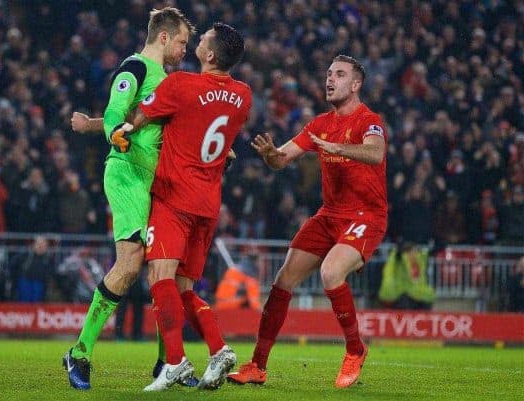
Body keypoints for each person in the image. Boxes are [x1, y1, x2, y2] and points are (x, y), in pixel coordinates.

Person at [227, 55, 388, 389]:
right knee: (283, 279)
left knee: (331, 272)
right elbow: (281, 159)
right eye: (329, 74)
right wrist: (270, 154)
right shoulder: (319, 124)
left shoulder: (368, 120)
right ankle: (257, 365)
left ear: (355, 85)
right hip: (329, 215)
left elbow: (375, 153)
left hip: (365, 216)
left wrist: (339, 147)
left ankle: (355, 350)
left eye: (340, 75)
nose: (330, 80)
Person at [62, 7, 195, 391]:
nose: (185, 49)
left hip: (157, 182)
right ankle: (80, 353)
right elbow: (116, 112)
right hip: (127, 175)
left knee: (163, 270)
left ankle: (166, 364)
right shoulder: (134, 68)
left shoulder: (167, 80)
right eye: (182, 42)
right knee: (131, 261)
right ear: (165, 37)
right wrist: (112, 131)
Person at [124, 22, 251, 392]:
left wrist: (107, 126)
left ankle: (175, 362)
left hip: (174, 197)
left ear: (210, 55)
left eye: (204, 38)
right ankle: (219, 349)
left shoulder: (180, 85)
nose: (197, 41)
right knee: (183, 290)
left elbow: (139, 119)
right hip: (208, 205)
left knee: (159, 279)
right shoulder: (244, 95)